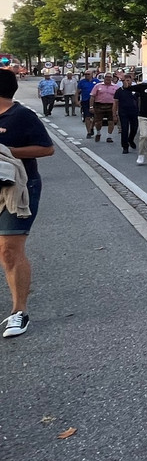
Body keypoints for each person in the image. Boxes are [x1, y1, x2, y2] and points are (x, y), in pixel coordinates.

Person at [0, 67, 54, 337]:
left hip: (18, 187)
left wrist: (7, 151)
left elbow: (46, 148)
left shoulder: (22, 115)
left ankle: (18, 312)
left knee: (9, 249)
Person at [89, 73, 119, 144]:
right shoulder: (97, 86)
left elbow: (118, 99)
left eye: (109, 77)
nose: (108, 78)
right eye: (106, 77)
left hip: (111, 106)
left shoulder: (116, 87)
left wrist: (117, 109)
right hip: (99, 105)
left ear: (112, 78)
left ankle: (109, 136)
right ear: (104, 78)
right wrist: (91, 106)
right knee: (98, 122)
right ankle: (98, 133)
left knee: (111, 122)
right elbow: (92, 96)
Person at [114, 73, 140, 154]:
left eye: (129, 80)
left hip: (134, 112)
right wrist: (114, 113)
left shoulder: (135, 90)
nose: (127, 82)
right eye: (125, 80)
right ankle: (125, 146)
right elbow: (115, 103)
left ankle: (131, 139)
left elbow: (139, 100)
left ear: (131, 81)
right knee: (124, 129)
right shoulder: (119, 91)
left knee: (134, 128)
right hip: (123, 112)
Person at [77, 70, 100, 137]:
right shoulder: (82, 82)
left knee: (95, 117)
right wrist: (76, 101)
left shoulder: (97, 82)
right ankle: (89, 132)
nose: (87, 75)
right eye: (85, 74)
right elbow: (77, 92)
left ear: (92, 74)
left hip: (95, 101)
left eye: (88, 74)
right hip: (85, 101)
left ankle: (91, 127)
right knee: (87, 117)